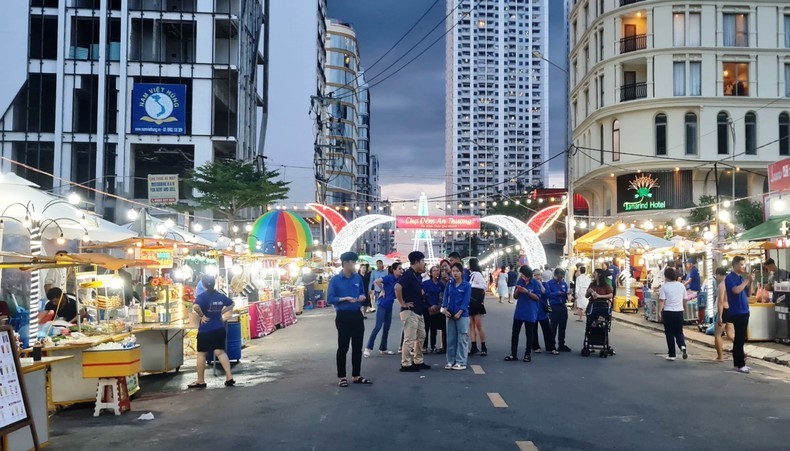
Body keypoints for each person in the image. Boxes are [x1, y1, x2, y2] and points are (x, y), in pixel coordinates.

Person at [327, 252, 372, 386]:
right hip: (343, 315)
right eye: (353, 262)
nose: (355, 265)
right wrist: (345, 298)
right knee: (343, 346)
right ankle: (342, 377)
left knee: (357, 346)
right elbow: (330, 298)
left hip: (357, 314)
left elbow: (362, 292)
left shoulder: (357, 277)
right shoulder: (335, 280)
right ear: (345, 263)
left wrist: (362, 297)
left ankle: (356, 375)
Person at [189, 275, 235, 388]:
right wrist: (221, 312)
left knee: (201, 355)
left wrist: (202, 315)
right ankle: (229, 377)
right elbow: (232, 304)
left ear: (203, 284)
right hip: (219, 328)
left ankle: (200, 380)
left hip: (206, 330)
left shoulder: (202, 296)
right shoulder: (220, 295)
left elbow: (195, 306)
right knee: (220, 352)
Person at [396, 251, 430, 372]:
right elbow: (397, 287)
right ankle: (405, 363)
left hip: (418, 311)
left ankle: (418, 360)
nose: (424, 263)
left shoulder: (416, 275)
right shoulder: (408, 274)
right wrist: (402, 303)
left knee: (421, 336)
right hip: (410, 311)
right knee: (409, 338)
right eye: (422, 261)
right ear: (416, 262)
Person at [365, 262, 402, 357]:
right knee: (378, 326)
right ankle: (368, 348)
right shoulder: (389, 277)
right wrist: (382, 290)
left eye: (401, 269)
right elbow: (377, 281)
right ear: (394, 270)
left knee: (386, 328)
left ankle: (383, 348)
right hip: (382, 304)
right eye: (399, 269)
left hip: (389, 305)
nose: (401, 270)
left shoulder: (399, 279)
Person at [505, 265, 540, 362]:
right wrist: (518, 290)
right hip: (519, 311)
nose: (522, 277)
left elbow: (537, 297)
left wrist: (527, 292)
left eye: (524, 275)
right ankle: (513, 354)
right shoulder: (520, 282)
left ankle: (527, 354)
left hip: (530, 311)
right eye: (522, 275)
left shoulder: (535, 283)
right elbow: (515, 296)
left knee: (529, 334)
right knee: (515, 333)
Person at [725, 256, 753, 374]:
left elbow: (749, 294)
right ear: (735, 265)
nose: (743, 266)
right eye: (741, 264)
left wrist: (750, 282)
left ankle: (738, 363)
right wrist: (746, 281)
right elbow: (735, 291)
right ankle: (740, 364)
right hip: (737, 311)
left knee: (740, 338)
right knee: (739, 338)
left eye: (744, 264)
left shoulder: (741, 278)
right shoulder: (730, 278)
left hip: (744, 310)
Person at [442, 262, 471, 370]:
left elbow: (466, 301)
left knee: (462, 338)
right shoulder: (449, 284)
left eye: (457, 271)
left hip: (462, 315)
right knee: (451, 338)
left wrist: (460, 312)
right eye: (453, 271)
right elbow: (445, 297)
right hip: (450, 314)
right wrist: (444, 309)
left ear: (462, 272)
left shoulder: (466, 285)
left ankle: (461, 361)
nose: (455, 273)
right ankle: (451, 360)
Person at [658, 267, 688, 361]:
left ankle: (672, 354)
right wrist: (684, 309)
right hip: (679, 311)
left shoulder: (664, 287)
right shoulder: (681, 286)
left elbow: (662, 301)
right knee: (679, 332)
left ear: (666, 276)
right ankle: (682, 346)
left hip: (668, 312)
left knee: (669, 333)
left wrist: (659, 312)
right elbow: (685, 299)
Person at [546, 268, 572, 352]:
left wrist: (568, 296)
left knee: (562, 326)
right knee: (553, 327)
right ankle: (551, 345)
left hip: (563, 306)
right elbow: (548, 294)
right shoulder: (549, 284)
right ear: (555, 275)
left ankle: (561, 344)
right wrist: (557, 293)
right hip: (554, 306)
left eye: (562, 277)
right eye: (559, 277)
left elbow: (566, 292)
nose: (561, 279)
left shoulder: (563, 283)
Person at [531, 269, 557, 355]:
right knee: (533, 330)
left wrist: (540, 284)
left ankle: (551, 347)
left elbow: (547, 294)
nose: (537, 277)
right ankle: (535, 346)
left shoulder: (545, 284)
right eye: (535, 275)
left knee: (547, 330)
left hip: (542, 311)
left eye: (539, 275)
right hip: (533, 310)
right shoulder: (531, 285)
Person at [423, 265, 446, 353]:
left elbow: (443, 295)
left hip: (437, 308)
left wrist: (438, 305)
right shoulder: (426, 283)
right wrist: (430, 305)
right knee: (426, 327)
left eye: (437, 270)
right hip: (427, 308)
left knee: (434, 328)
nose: (436, 272)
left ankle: (433, 346)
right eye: (434, 271)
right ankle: (424, 346)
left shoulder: (441, 284)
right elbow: (424, 295)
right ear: (431, 273)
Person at [467, 258, 488, 357]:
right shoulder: (471, 275)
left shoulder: (477, 274)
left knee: (478, 325)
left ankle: (483, 346)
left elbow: (484, 286)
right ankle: (474, 345)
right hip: (471, 303)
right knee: (471, 325)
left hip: (476, 303)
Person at [714, 267, 735, 362]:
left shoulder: (722, 285)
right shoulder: (731, 283)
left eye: (716, 276)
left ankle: (720, 356)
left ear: (718, 275)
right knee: (730, 334)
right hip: (731, 309)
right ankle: (741, 351)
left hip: (724, 310)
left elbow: (721, 301)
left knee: (718, 334)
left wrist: (719, 316)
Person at [683, 258, 703, 323]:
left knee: (686, 300)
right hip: (694, 290)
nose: (686, 265)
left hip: (695, 291)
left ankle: (689, 317)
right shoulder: (695, 270)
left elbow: (689, 281)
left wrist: (682, 285)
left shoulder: (693, 270)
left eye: (687, 263)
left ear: (690, 264)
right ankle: (690, 317)